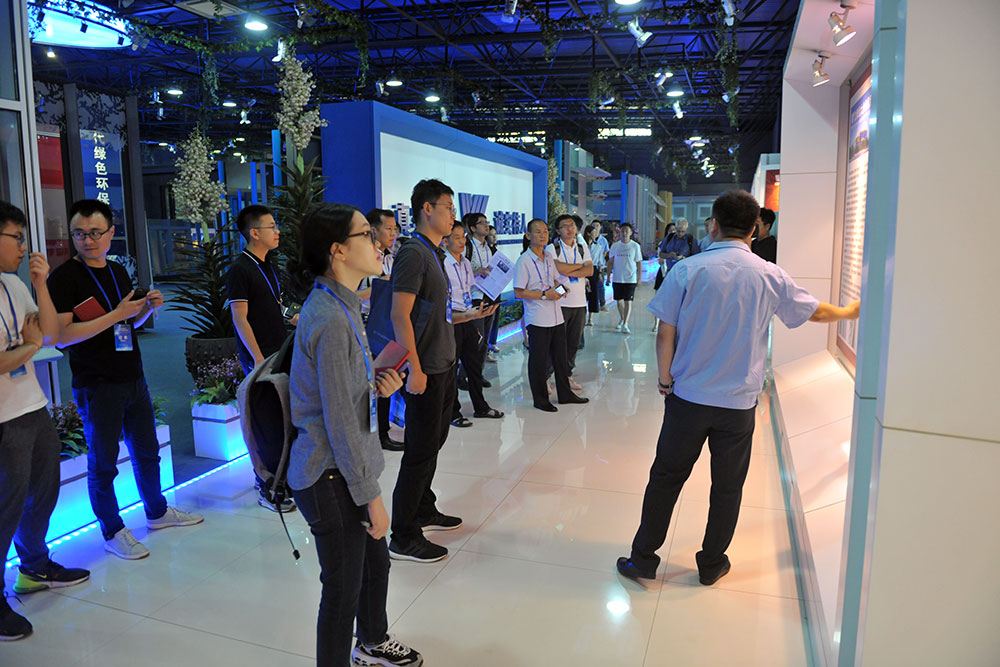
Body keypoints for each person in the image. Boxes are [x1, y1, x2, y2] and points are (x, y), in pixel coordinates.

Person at [616, 190, 860, 587]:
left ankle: (643, 559)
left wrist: (665, 380)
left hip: (688, 398)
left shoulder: (688, 270)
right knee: (727, 487)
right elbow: (814, 311)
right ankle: (711, 564)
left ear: (713, 224)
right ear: (754, 229)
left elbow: (664, 333)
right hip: (738, 404)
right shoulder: (769, 274)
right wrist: (849, 311)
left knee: (666, 478)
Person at [286, 202, 422, 667]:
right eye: (368, 234)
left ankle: (372, 641)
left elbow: (340, 395)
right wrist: (371, 496)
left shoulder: (342, 305)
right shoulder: (329, 317)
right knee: (342, 588)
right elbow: (340, 423)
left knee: (374, 564)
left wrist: (374, 385)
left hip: (342, 468)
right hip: (329, 476)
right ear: (338, 250)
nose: (381, 242)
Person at [48, 199, 203, 561]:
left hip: (133, 375)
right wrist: (116, 314)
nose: (87, 240)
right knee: (103, 462)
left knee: (147, 451)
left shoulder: (117, 271)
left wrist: (145, 309)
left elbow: (126, 324)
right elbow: (62, 337)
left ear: (110, 233)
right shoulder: (64, 278)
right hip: (96, 382)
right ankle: (112, 530)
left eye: (94, 233)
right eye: (79, 234)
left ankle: (157, 512)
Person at [0, 201, 90, 642]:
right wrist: (29, 346)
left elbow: (50, 334)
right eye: (16, 238)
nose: (23, 247)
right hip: (3, 419)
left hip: (31, 406)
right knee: (6, 506)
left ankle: (33, 566)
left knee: (43, 491)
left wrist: (40, 284)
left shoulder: (14, 284)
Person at [389, 179, 492, 563]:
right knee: (419, 451)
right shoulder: (414, 253)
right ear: (427, 209)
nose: (453, 215)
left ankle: (423, 507)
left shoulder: (435, 253)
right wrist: (414, 369)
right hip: (426, 368)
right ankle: (403, 534)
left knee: (433, 443)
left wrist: (467, 316)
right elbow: (399, 315)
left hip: (444, 362)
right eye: (448, 207)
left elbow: (433, 311)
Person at [227, 204, 295, 512]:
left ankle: (282, 478)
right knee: (266, 423)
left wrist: (292, 318)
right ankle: (267, 485)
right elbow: (240, 318)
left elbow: (273, 305)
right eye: (271, 226)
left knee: (280, 419)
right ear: (254, 233)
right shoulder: (240, 269)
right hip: (260, 357)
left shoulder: (267, 265)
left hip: (278, 351)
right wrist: (256, 358)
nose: (277, 231)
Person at [514, 218, 589, 412]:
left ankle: (565, 394)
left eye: (545, 231)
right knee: (539, 361)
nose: (543, 235)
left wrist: (562, 290)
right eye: (538, 232)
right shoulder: (524, 260)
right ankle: (540, 399)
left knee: (561, 358)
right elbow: (519, 292)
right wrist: (544, 295)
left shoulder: (548, 256)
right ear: (528, 235)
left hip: (556, 315)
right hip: (538, 318)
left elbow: (555, 281)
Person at [444, 219, 502, 426]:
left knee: (474, 364)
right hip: (451, 319)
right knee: (451, 369)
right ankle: (453, 412)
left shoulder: (466, 263)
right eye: (456, 237)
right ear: (445, 241)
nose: (462, 241)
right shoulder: (442, 263)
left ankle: (481, 407)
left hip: (469, 316)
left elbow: (469, 289)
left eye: (463, 237)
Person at [364, 208, 405, 452]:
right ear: (373, 230)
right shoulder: (363, 259)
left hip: (385, 325)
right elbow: (352, 294)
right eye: (388, 229)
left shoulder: (390, 258)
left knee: (386, 379)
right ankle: (375, 434)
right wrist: (381, 287)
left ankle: (383, 432)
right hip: (366, 326)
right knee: (371, 383)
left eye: (395, 229)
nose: (393, 233)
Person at [547, 214, 593, 389]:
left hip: (579, 303)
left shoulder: (582, 248)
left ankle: (566, 376)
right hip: (560, 302)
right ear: (558, 231)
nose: (569, 229)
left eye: (572, 225)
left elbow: (589, 271)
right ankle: (546, 377)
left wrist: (567, 270)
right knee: (555, 342)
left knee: (573, 343)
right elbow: (557, 268)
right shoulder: (552, 248)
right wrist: (579, 267)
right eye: (564, 226)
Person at [465, 212, 498, 365]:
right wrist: (476, 272)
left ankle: (479, 370)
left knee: (485, 337)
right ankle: (465, 374)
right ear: (472, 228)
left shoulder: (488, 248)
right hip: (474, 296)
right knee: (476, 337)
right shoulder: (467, 247)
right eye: (482, 223)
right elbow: (458, 272)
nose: (486, 225)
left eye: (487, 222)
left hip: (490, 294)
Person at [605, 222, 643, 333]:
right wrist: (608, 276)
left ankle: (625, 324)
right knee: (619, 301)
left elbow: (639, 263)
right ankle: (622, 318)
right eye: (622, 231)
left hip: (630, 278)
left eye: (627, 231)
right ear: (619, 233)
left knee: (628, 301)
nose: (624, 233)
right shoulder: (615, 246)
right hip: (617, 278)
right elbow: (610, 262)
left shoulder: (635, 246)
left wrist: (639, 278)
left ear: (631, 233)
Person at [585, 224, 605, 326]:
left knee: (593, 293)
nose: (595, 235)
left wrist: (600, 273)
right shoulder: (582, 245)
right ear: (588, 234)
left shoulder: (598, 246)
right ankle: (582, 315)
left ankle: (590, 318)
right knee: (583, 293)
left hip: (594, 270)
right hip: (583, 269)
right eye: (593, 233)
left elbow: (600, 261)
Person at [485, 226, 501, 353]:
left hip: (496, 287)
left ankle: (492, 343)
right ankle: (486, 348)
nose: (494, 237)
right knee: (488, 317)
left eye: (495, 234)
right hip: (486, 288)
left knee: (495, 316)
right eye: (491, 235)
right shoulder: (485, 251)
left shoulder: (495, 250)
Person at [652, 222, 677, 293]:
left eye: (674, 230)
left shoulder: (679, 244)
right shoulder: (662, 243)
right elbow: (660, 257)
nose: (672, 232)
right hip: (664, 270)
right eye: (670, 230)